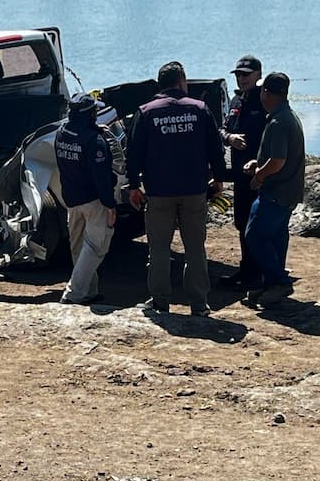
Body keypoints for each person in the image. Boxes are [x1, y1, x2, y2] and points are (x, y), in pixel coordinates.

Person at [127, 61, 227, 317]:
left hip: (159, 192)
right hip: (194, 190)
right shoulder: (200, 109)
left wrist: (134, 186)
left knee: (158, 249)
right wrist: (218, 177)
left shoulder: (146, 112)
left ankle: (160, 301)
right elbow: (215, 147)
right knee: (195, 248)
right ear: (182, 80)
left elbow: (134, 153)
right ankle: (199, 303)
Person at [242, 71, 306, 307]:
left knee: (255, 235)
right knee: (276, 237)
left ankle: (279, 282)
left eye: (262, 90)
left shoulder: (279, 121)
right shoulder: (285, 116)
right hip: (287, 192)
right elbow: (279, 157)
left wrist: (259, 175)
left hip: (277, 192)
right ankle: (272, 283)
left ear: (267, 93)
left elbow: (278, 161)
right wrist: (257, 163)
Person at [56, 94, 118, 305]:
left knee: (78, 247)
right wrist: (110, 205)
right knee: (96, 247)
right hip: (93, 201)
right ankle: (73, 294)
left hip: (71, 200)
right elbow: (101, 177)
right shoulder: (94, 141)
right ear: (90, 114)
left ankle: (88, 292)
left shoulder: (61, 133)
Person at [219, 54, 269, 290]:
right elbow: (222, 129)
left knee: (258, 226)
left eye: (246, 74)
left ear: (259, 74)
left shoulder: (265, 102)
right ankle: (245, 269)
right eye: (238, 74)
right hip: (240, 176)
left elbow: (274, 138)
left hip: (260, 176)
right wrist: (230, 137)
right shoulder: (236, 101)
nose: (242, 79)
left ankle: (259, 273)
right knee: (241, 223)